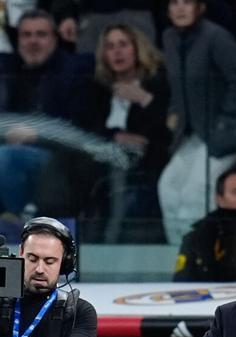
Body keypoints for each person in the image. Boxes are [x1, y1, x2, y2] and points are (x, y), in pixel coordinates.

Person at [0, 10, 83, 230]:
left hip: (57, 156)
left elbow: (80, 127)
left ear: (54, 38)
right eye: (26, 35)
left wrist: (38, 136)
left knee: (5, 157)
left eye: (41, 34)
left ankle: (22, 228)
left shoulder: (73, 70)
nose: (33, 41)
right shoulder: (7, 70)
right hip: (5, 149)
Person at [157, 0, 236, 246]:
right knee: (168, 186)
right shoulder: (169, 37)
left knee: (196, 190)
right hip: (195, 132)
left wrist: (224, 121)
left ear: (199, 7)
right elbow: (177, 85)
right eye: (174, 3)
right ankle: (178, 254)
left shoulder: (216, 37)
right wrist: (174, 112)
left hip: (228, 130)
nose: (180, 8)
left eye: (187, 2)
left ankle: (203, 253)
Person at [80, 22, 170, 242]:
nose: (117, 51)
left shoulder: (156, 85)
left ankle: (113, 238)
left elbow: (165, 131)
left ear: (137, 49)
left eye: (123, 44)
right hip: (99, 158)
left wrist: (143, 99)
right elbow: (85, 126)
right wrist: (114, 137)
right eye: (110, 46)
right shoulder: (96, 88)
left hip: (144, 161)